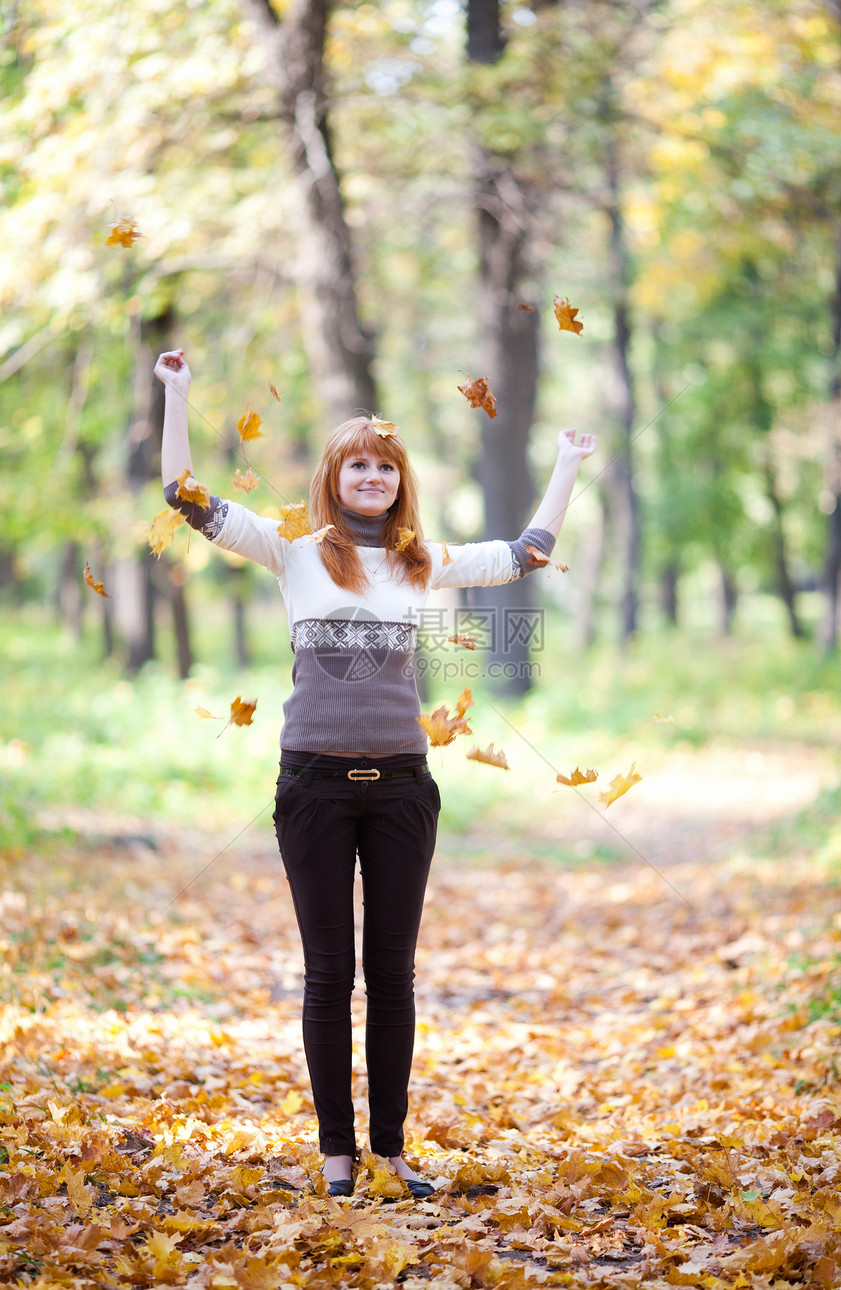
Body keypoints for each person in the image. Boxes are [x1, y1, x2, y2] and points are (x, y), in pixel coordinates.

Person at [155, 347, 596, 1198]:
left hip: (401, 790)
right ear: (333, 477)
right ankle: (335, 1160)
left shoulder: (419, 559)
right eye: (356, 464)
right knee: (328, 973)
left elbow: (528, 551)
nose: (370, 477)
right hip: (312, 790)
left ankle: (390, 1153)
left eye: (384, 467)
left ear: (400, 482)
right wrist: (176, 393)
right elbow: (186, 496)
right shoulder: (291, 550)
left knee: (391, 974)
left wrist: (568, 462)